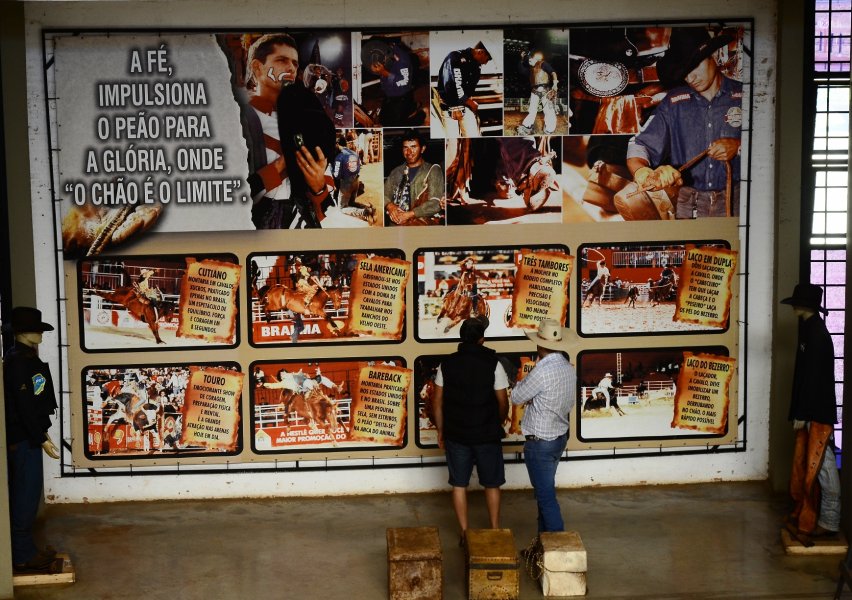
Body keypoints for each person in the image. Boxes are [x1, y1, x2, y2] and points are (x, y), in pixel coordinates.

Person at [626, 28, 741, 218]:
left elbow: (773, 146)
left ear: (713, 56)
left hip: (737, 201)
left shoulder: (745, 97)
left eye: (694, 66)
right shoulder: (674, 102)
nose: (690, 78)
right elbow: (639, 145)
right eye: (684, 72)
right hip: (690, 203)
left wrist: (739, 146)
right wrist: (643, 173)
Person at [241, 33, 334, 229]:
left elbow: (327, 204)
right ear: (257, 67)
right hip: (255, 224)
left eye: (294, 63)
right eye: (282, 60)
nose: (291, 68)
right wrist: (280, 167)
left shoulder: (309, 114)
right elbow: (226, 191)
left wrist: (318, 185)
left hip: (298, 223)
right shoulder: (238, 117)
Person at [431, 316, 509, 541]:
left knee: (458, 484)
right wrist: (497, 422)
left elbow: (437, 402)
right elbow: (503, 401)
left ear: (461, 338)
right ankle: (495, 529)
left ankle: (464, 533)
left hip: (456, 434)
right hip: (487, 434)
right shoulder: (494, 364)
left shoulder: (446, 364)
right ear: (482, 339)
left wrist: (441, 430)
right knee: (492, 484)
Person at [781, 283, 841, 538]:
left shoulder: (817, 334)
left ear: (805, 306)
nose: (793, 307)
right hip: (811, 411)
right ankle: (811, 514)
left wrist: (803, 413)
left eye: (797, 303)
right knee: (811, 466)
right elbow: (804, 378)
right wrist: (799, 411)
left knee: (822, 466)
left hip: (818, 413)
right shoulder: (809, 329)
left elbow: (813, 380)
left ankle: (830, 521)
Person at [2, 307, 60, 573]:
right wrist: (41, 437)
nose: (41, 335)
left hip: (29, 436)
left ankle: (25, 550)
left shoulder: (23, 358)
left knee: (27, 493)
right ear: (25, 333)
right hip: (24, 438)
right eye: (37, 330)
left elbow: (30, 405)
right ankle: (23, 555)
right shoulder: (18, 362)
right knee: (25, 495)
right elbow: (23, 406)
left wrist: (42, 434)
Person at [511, 319, 577, 536]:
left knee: (546, 497)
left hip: (540, 442)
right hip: (558, 438)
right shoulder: (568, 368)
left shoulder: (541, 371)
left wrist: (527, 391)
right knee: (544, 493)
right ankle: (542, 545)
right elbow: (567, 401)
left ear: (540, 344)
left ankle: (560, 545)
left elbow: (516, 397)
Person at [384, 129, 444, 225]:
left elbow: (435, 203)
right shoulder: (396, 172)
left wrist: (409, 214)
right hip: (396, 226)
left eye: (413, 147)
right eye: (405, 148)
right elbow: (384, 195)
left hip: (421, 227)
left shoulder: (433, 170)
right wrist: (390, 206)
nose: (409, 152)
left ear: (422, 149)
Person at [435, 41, 492, 137]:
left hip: (465, 106)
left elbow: (469, 87)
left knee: (474, 136)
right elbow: (452, 84)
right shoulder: (455, 57)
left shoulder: (477, 66)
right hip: (449, 106)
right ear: (481, 52)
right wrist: (468, 102)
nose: (486, 63)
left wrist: (469, 102)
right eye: (487, 59)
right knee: (453, 141)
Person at [365, 40, 425, 126]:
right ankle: (412, 109)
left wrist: (383, 72)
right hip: (390, 95)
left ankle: (416, 112)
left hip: (401, 96)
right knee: (383, 120)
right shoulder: (388, 55)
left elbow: (404, 82)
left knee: (395, 124)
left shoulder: (402, 60)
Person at [331, 135, 374, 223]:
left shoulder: (339, 157)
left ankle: (364, 212)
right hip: (356, 181)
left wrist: (332, 170)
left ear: (337, 144)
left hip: (346, 184)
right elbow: (359, 167)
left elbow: (336, 175)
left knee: (342, 208)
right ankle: (368, 208)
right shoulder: (354, 153)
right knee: (351, 203)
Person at [516, 50, 559, 135]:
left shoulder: (542, 63)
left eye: (530, 60)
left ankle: (549, 129)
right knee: (532, 110)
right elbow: (521, 70)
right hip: (534, 91)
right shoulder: (530, 69)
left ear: (534, 58)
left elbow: (553, 72)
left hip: (546, 90)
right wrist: (522, 59)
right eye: (528, 61)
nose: (529, 62)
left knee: (549, 111)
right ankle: (527, 126)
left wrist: (555, 84)